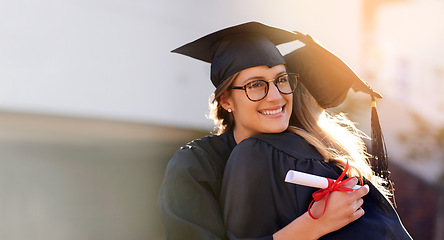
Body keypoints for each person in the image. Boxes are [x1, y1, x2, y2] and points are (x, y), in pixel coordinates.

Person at [158, 22, 411, 239]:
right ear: (225, 101)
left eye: (281, 79)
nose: (276, 96)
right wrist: (313, 226)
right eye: (256, 85)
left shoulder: (306, 158)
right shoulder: (195, 165)